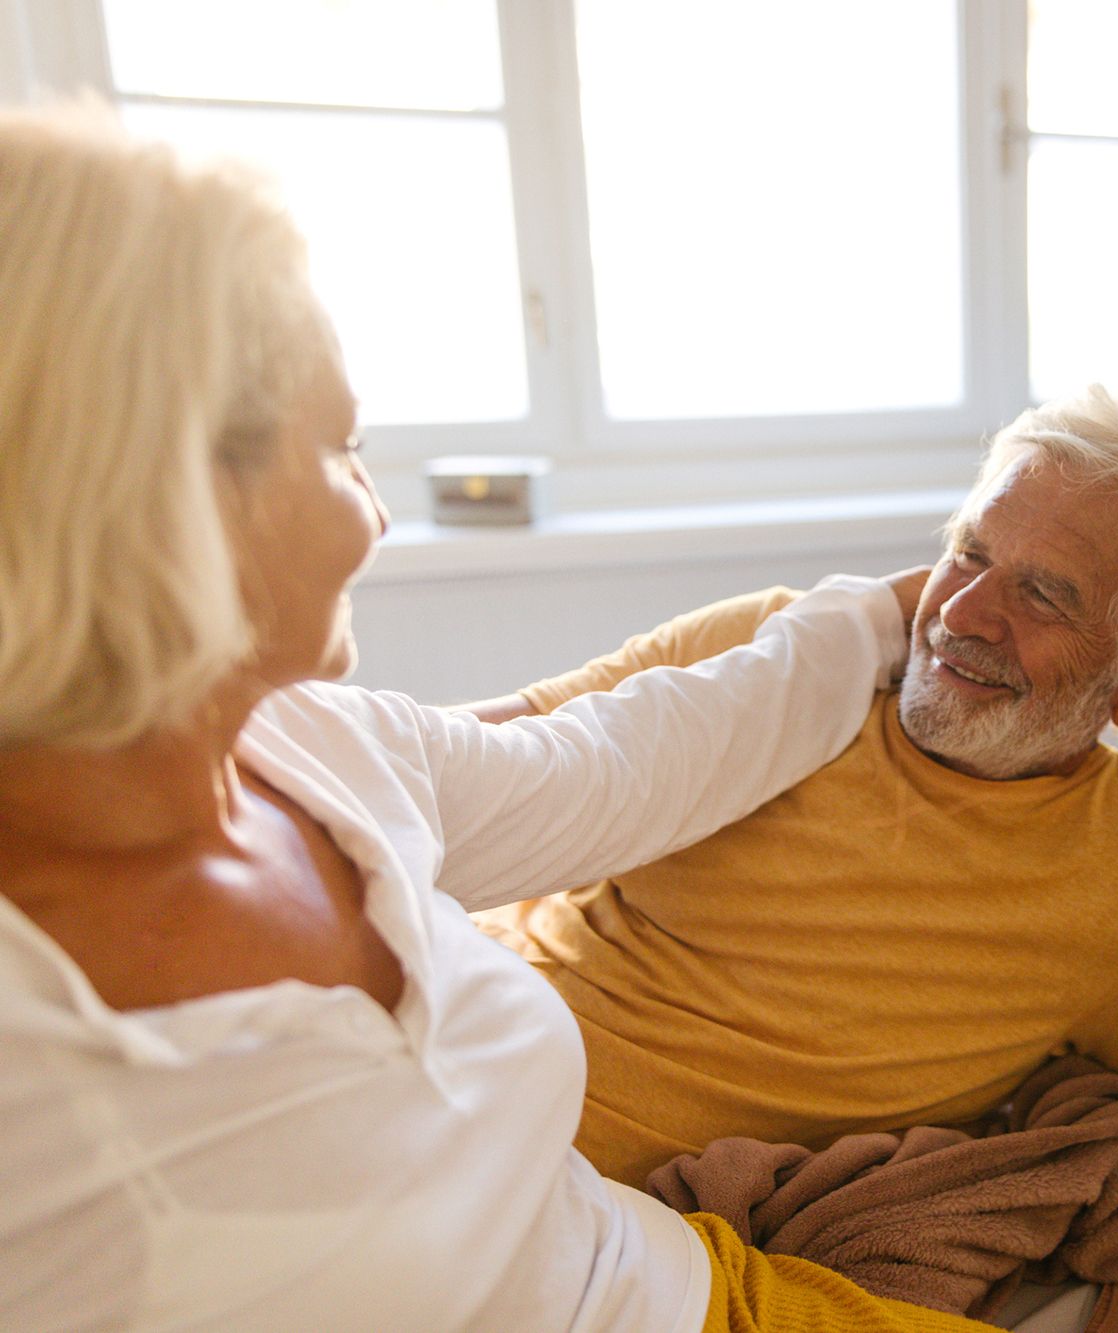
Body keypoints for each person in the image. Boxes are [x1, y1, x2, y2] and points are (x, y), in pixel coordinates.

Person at [0, 107, 992, 1331]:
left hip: (700, 1297)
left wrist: (887, 615)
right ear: (177, 504)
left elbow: (622, 761)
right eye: (344, 450)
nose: (372, 514)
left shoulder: (316, 747)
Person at [471, 384, 1118, 1188]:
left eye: (1043, 594)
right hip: (444, 1008)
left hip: (533, 1190)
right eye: (970, 551)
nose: (961, 614)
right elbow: (475, 754)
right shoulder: (777, 648)